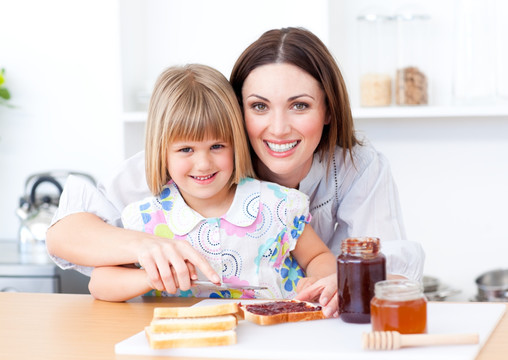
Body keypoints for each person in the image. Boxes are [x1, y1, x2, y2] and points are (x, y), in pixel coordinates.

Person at [46, 27, 424, 316]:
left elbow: (383, 257)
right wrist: (148, 252)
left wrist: (334, 281)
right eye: (259, 106)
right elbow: (67, 236)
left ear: (328, 111)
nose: (278, 128)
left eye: (300, 105)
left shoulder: (335, 177)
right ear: (236, 111)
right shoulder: (168, 173)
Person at [87, 64, 336, 302]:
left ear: (235, 143)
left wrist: (317, 280)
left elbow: (318, 256)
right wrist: (151, 277)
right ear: (161, 151)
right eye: (186, 149)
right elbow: (99, 283)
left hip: (273, 335)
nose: (204, 163)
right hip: (182, 342)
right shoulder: (147, 219)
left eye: (217, 146)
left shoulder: (278, 204)